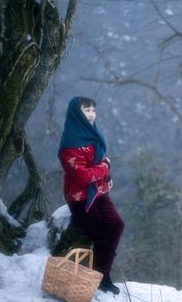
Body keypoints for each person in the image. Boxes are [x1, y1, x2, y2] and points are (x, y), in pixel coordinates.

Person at [58, 96, 124, 295]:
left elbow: (100, 160)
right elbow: (83, 176)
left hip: (99, 192)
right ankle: (100, 277)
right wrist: (106, 167)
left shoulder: (94, 135)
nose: (92, 114)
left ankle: (101, 275)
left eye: (93, 110)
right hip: (79, 197)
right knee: (101, 233)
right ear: (76, 114)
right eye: (86, 110)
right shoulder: (69, 146)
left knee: (116, 225)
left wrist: (107, 172)